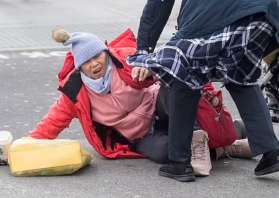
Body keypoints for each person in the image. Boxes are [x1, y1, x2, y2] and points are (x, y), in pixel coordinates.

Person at [126, 0, 279, 182]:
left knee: (183, 75)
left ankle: (179, 162)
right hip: (264, 12)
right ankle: (270, 151)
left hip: (213, 15)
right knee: (239, 75)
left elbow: (159, 0)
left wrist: (143, 50)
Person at [29, 28, 250, 175]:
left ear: (106, 53)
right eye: (86, 62)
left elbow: (163, 64)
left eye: (97, 56)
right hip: (141, 135)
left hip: (161, 108)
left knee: (169, 88)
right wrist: (26, 146)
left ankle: (218, 133)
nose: (94, 64)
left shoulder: (124, 59)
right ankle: (226, 148)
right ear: (79, 67)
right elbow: (53, 122)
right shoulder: (76, 92)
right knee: (167, 153)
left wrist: (149, 70)